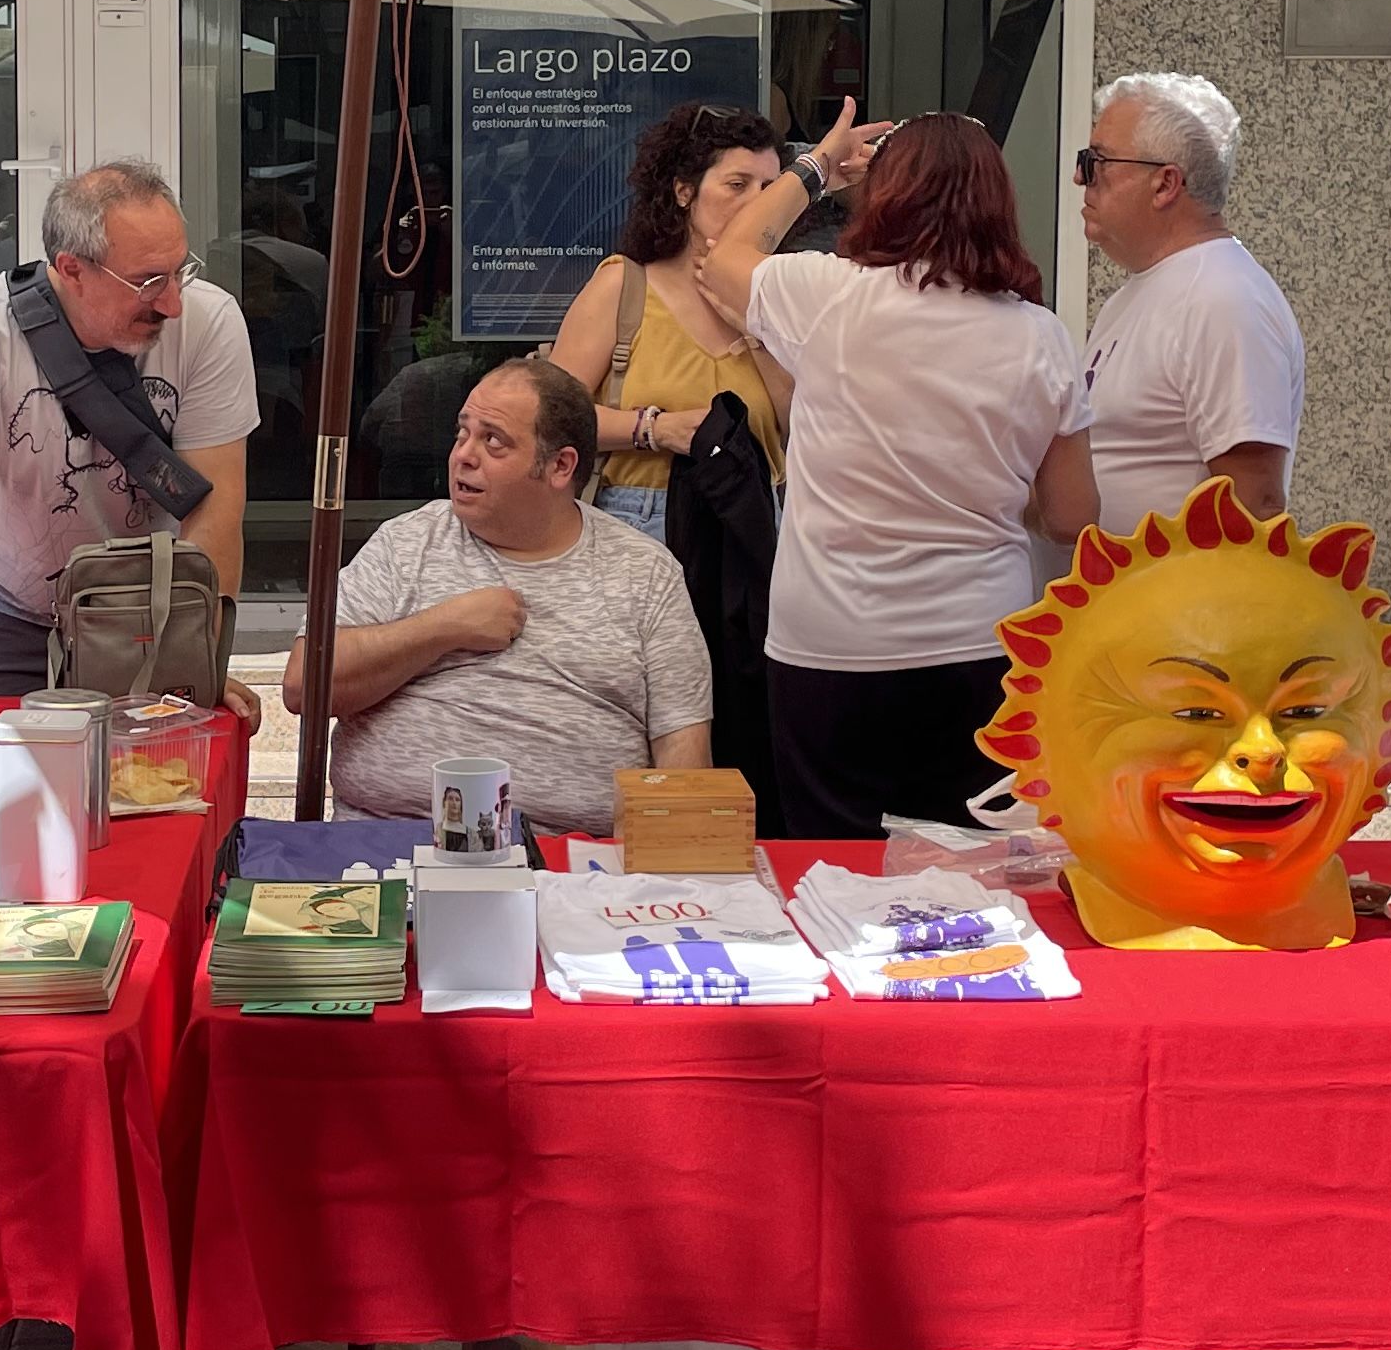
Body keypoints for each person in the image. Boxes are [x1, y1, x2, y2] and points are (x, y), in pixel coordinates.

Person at [701, 107, 1100, 841]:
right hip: (979, 642)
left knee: (834, 866)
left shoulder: (831, 297)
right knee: (972, 873)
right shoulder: (1041, 337)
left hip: (830, 643)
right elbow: (1073, 516)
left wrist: (819, 166)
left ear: (886, 195)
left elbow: (726, 252)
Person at [0, 160, 257, 734]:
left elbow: (217, 508)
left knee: (148, 790)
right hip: (9, 608)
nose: (173, 303)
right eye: (148, 281)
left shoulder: (211, 323)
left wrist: (200, 657)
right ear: (71, 268)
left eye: (179, 272)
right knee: (5, 796)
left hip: (152, 610)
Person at [292, 356, 713, 838]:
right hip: (387, 843)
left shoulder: (645, 572)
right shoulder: (406, 542)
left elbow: (684, 757)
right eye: (462, 433)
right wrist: (442, 628)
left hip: (570, 862)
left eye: (493, 440)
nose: (463, 456)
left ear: (560, 466)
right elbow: (305, 683)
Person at [540, 106, 795, 543]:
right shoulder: (624, 286)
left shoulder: (781, 291)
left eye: (771, 189)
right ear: (683, 192)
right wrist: (655, 430)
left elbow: (803, 425)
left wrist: (754, 333)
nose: (758, 202)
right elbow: (549, 417)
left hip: (757, 516)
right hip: (639, 518)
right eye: (738, 184)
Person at [1074, 71, 1306, 533]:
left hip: (1176, 605)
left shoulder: (1223, 299)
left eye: (1096, 161)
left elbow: (1254, 503)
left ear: (1165, 185)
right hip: (1127, 603)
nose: (1081, 177)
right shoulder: (1149, 291)